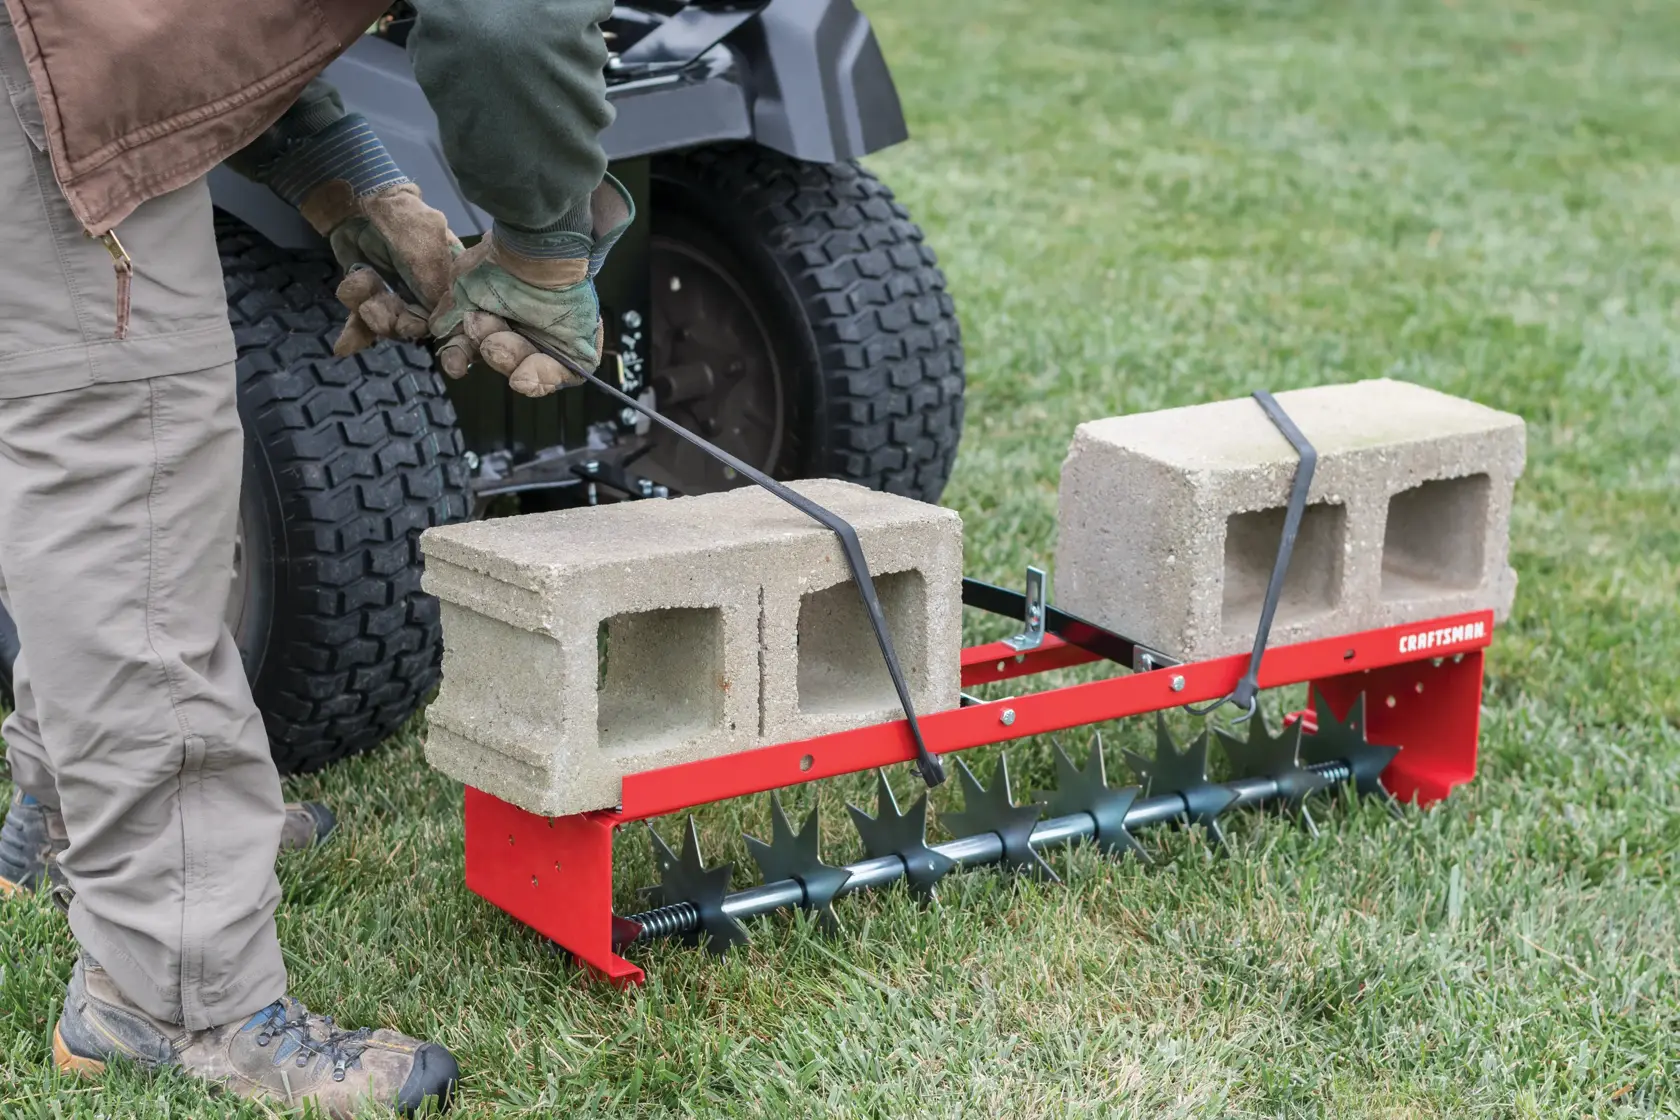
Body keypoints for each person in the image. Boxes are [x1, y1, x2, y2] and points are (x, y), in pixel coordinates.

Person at [0, 1, 631, 1113]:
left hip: (76, 39)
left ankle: (69, 821)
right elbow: (506, 23)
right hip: (48, 54)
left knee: (138, 446)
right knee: (128, 457)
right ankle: (168, 992)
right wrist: (540, 255)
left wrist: (346, 182)